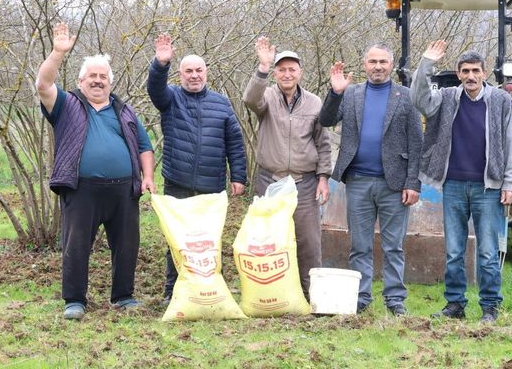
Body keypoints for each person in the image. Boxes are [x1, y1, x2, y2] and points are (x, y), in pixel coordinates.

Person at [36, 23, 155, 321]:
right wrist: (58, 53)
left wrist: (148, 177)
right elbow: (43, 84)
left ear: (110, 83)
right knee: (76, 246)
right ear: (81, 80)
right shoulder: (67, 105)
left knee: (127, 245)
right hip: (82, 188)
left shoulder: (125, 111)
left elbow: (144, 146)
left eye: (103, 77)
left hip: (124, 190)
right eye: (93, 76)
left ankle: (123, 296)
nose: (98, 81)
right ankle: (75, 300)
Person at [410, 40, 512, 323]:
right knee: (454, 251)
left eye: (476, 71)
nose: (470, 76)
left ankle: (490, 306)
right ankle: (455, 305)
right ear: (458, 73)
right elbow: (419, 100)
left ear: (484, 73)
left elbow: (510, 143)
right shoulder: (446, 97)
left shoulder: (501, 101)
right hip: (454, 185)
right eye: (465, 70)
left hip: (488, 188)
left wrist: (509, 183)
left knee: (487, 251)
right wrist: (426, 63)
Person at [319, 43, 423, 316]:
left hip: (395, 184)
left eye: (383, 62)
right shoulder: (351, 94)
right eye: (372, 61)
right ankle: (361, 296)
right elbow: (326, 120)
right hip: (358, 181)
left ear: (391, 65)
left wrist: (413, 182)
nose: (378, 66)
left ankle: (395, 299)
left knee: (393, 246)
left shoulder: (406, 96)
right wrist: (335, 93)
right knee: (359, 245)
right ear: (364, 64)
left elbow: (416, 141)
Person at [146, 33, 247, 305]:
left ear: (206, 73)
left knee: (208, 241)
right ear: (180, 75)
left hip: (211, 185)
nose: (194, 75)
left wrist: (238, 176)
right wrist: (160, 63)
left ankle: (207, 289)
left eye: (198, 70)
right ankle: (172, 290)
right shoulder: (171, 98)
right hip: (177, 181)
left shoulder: (221, 102)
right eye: (188, 71)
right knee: (176, 239)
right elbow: (154, 88)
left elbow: (234, 141)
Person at [242, 36, 332, 299]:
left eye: (292, 69)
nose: (287, 74)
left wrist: (323, 177)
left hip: (303, 184)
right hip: (269, 181)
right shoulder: (266, 96)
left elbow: (323, 143)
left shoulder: (315, 102)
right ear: (275, 73)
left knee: (308, 241)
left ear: (300, 73)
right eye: (281, 69)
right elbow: (249, 99)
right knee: (266, 239)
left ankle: (310, 295)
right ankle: (267, 293)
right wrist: (262, 66)